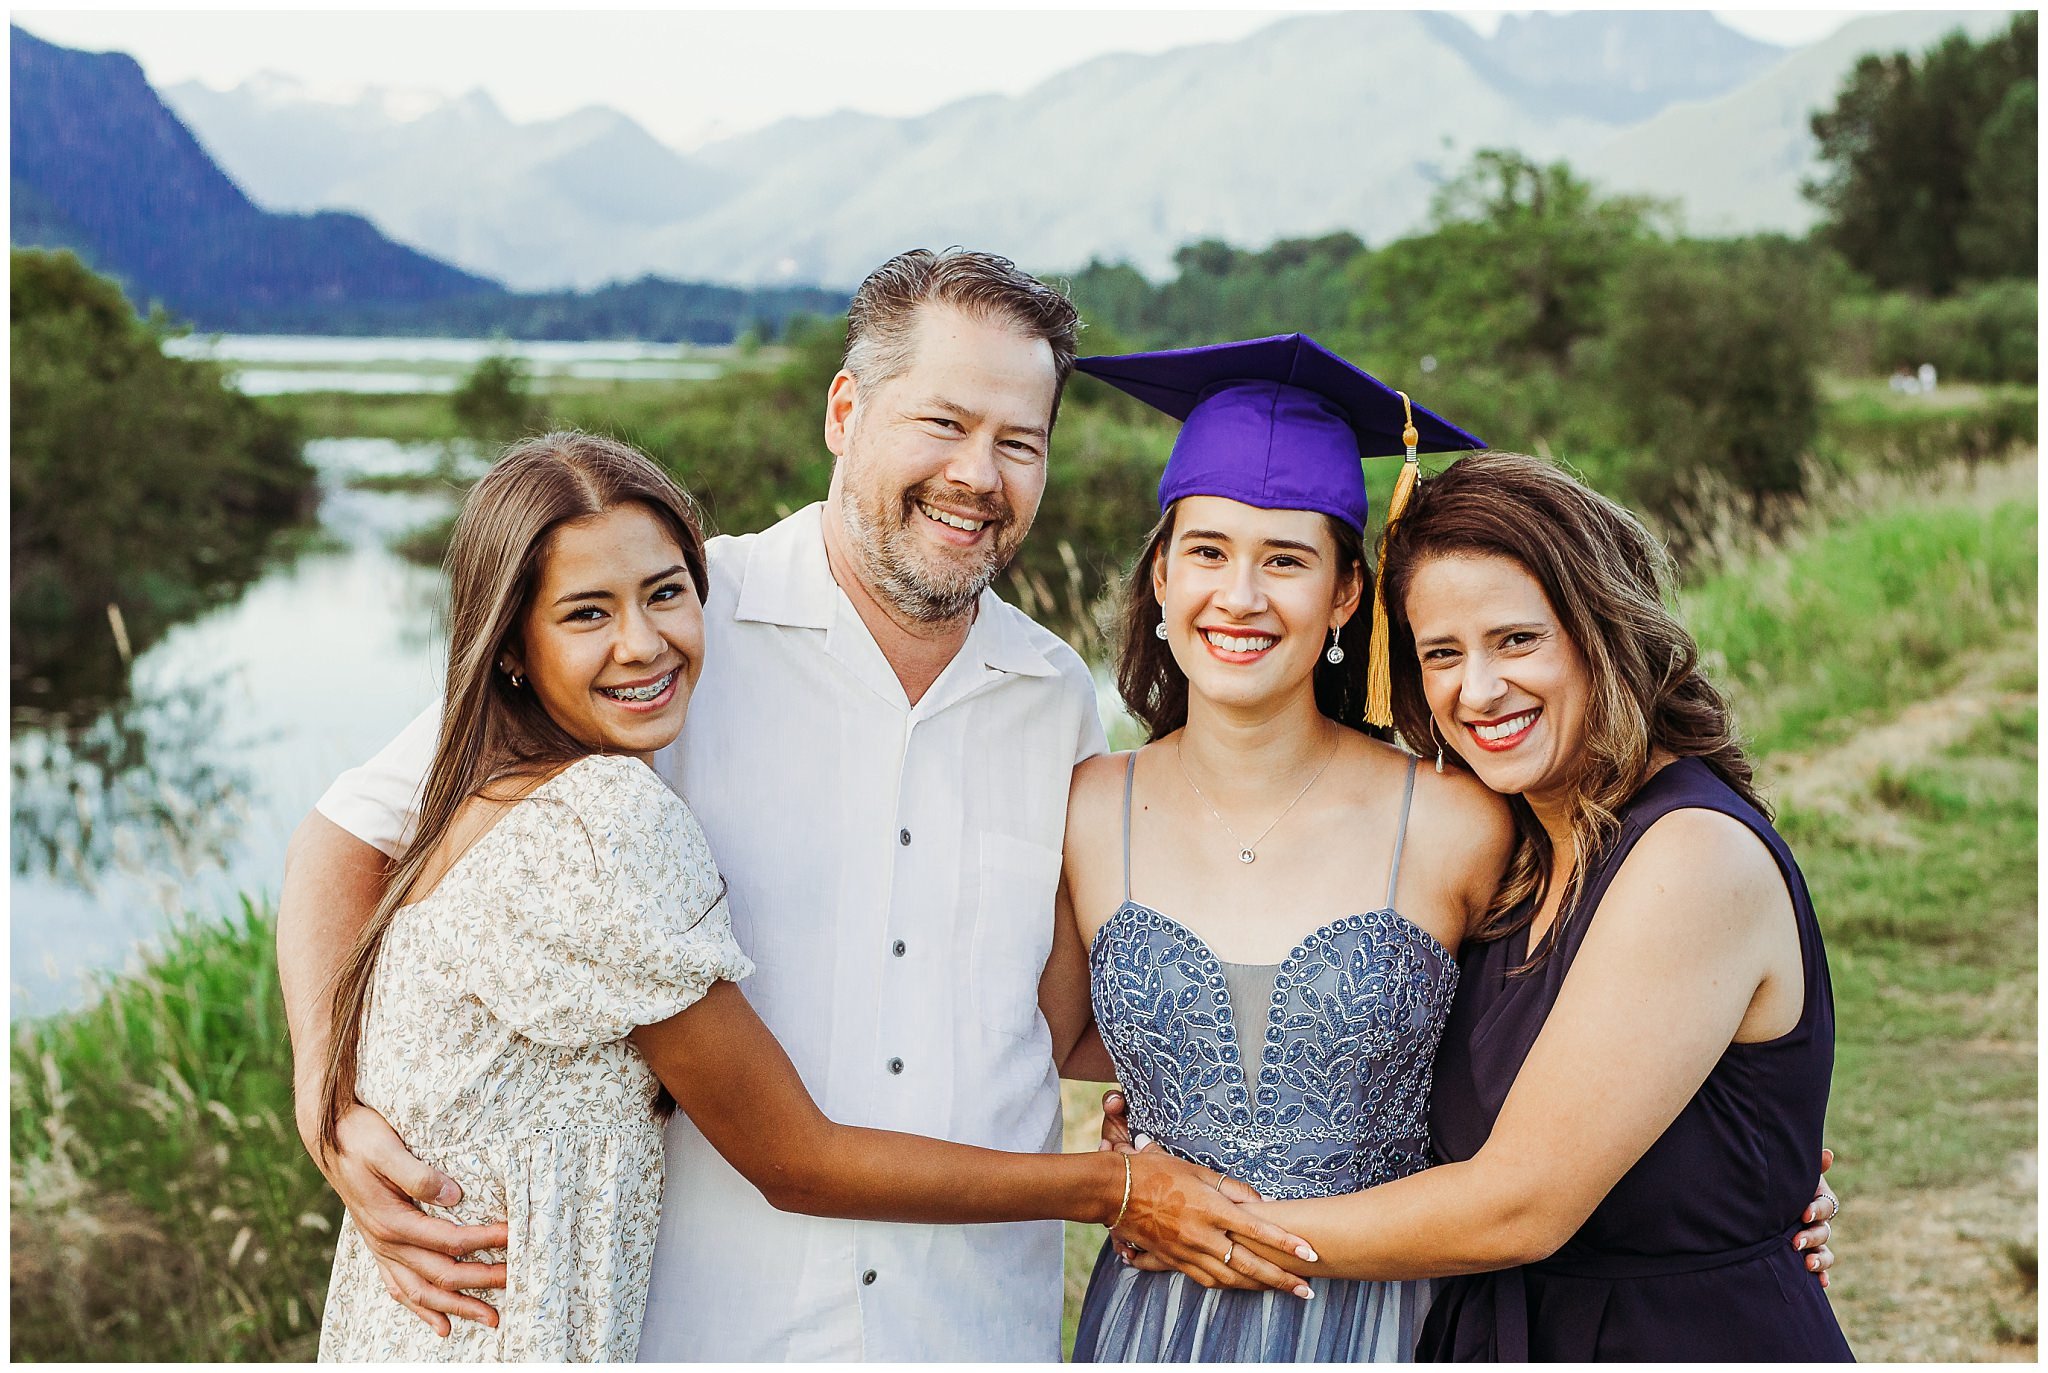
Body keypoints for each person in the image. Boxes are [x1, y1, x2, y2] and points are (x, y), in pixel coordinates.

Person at [281, 251, 1307, 1362]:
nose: (979, 474)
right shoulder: (668, 625)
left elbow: (1049, 1017)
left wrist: (1173, 1097)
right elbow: (350, 830)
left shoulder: (1054, 692)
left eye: (1019, 442)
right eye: (944, 424)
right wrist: (329, 1096)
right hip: (700, 1319)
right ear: (844, 409)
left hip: (964, 1321)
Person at [1068, 341, 1845, 1361]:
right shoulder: (1535, 835)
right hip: (1493, 1327)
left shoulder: (1677, 850)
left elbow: (1518, 1198)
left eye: (1516, 639)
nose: (1477, 690)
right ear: (1159, 574)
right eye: (1441, 652)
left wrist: (1187, 1217)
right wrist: (1168, 1114)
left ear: (1601, 625)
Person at [1042, 335, 1512, 1360]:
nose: (1240, 597)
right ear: (1160, 574)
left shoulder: (1455, 821)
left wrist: (1757, 1183)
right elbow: (1034, 1045)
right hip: (1153, 1324)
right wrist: (1130, 1157)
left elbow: (1563, 1068)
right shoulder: (1084, 809)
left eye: (1286, 560)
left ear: (1346, 593)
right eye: (1205, 551)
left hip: (1388, 1320)